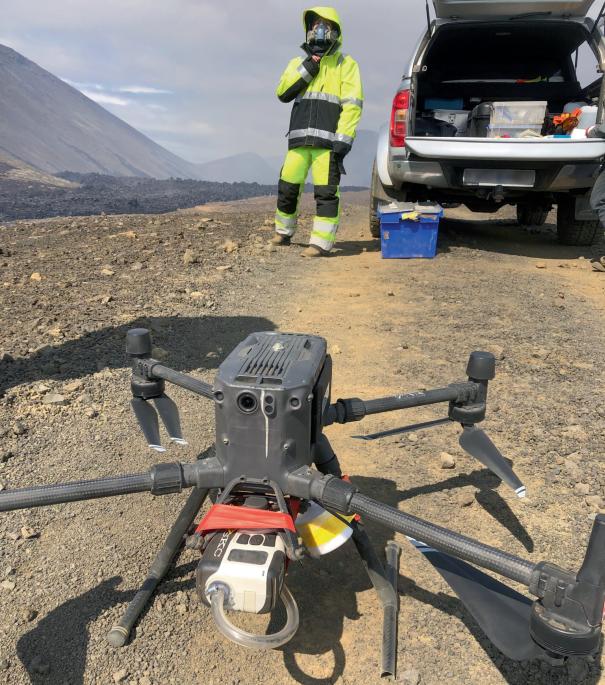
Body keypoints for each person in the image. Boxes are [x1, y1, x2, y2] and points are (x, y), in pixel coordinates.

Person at [272, 6, 363, 257]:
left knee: (325, 192)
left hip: (327, 143)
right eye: (315, 25)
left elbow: (352, 106)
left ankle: (320, 243)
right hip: (299, 139)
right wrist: (309, 67)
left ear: (335, 30)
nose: (319, 29)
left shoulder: (346, 65)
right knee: (288, 186)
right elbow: (283, 93)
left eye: (325, 25)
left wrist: (343, 141)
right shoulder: (296, 63)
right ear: (309, 30)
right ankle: (283, 232)